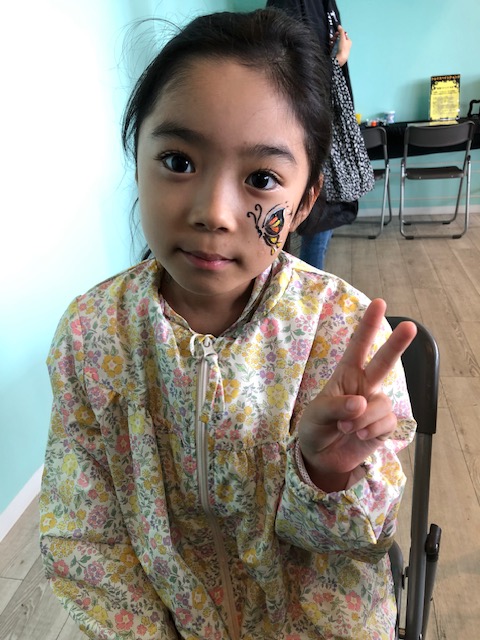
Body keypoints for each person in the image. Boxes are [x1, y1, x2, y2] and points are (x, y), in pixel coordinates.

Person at [39, 8, 416, 640]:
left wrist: (327, 475)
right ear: (136, 157)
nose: (214, 211)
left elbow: (356, 549)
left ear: (305, 200)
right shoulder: (90, 337)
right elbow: (85, 540)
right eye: (178, 160)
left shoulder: (344, 335)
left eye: (262, 179)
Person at [267, 0, 369, 270]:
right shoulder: (293, 3)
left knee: (321, 222)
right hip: (310, 129)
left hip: (322, 125)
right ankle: (303, 290)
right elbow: (292, 73)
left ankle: (300, 287)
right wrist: (338, 60)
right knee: (317, 221)